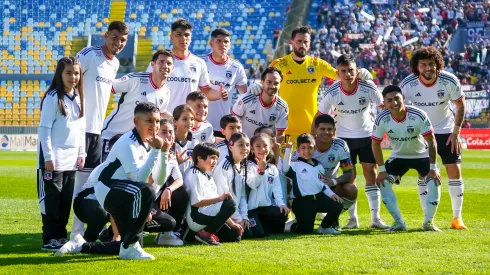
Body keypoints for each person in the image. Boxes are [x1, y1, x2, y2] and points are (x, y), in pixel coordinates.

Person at [249, 25, 372, 142]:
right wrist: (257, 86)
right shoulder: (279, 64)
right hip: (283, 129)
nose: (302, 45)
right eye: (299, 41)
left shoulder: (317, 64)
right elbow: (266, 82)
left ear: (310, 43)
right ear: (292, 42)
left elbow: (343, 76)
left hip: (311, 129)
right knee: (284, 164)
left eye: (306, 42)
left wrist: (360, 73)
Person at [82, 102, 166, 260]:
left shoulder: (148, 143)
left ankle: (81, 246)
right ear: (136, 122)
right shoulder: (127, 142)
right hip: (107, 188)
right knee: (147, 190)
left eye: (157, 121)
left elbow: (160, 179)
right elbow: (139, 179)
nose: (155, 126)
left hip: (125, 191)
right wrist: (156, 151)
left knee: (125, 243)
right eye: (149, 121)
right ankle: (130, 246)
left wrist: (163, 152)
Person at [315, 54, 387, 229]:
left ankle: (375, 218)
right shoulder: (332, 92)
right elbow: (319, 115)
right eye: (343, 71)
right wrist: (314, 139)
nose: (348, 74)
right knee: (349, 179)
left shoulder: (367, 86)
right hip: (344, 139)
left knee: (371, 174)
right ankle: (352, 219)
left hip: (367, 136)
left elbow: (383, 107)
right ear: (338, 73)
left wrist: (384, 129)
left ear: (357, 70)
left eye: (351, 70)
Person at [400, 46, 467, 229]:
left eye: (431, 64)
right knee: (423, 175)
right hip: (421, 134)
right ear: (417, 66)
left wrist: (456, 132)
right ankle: (427, 217)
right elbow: (399, 109)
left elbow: (460, 106)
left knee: (454, 170)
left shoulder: (449, 80)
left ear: (438, 64)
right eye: (423, 65)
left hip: (446, 131)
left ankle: (457, 218)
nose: (428, 68)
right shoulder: (408, 84)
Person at [73, 21, 129, 238]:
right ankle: (71, 233)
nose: (118, 43)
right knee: (73, 184)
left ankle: (81, 233)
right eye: (115, 37)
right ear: (105, 36)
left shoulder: (114, 64)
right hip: (79, 129)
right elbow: (68, 80)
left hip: (96, 132)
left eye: (123, 40)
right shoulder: (88, 54)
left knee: (87, 184)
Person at [371, 85, 442, 232]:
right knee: (383, 182)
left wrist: (433, 168)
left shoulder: (418, 114)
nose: (394, 103)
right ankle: (399, 223)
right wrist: (382, 170)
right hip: (398, 156)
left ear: (403, 98)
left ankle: (428, 223)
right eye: (389, 100)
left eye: (397, 98)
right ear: (384, 103)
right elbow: (375, 144)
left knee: (434, 181)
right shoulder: (381, 118)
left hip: (422, 155)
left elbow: (431, 141)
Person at [37, 57, 86, 251]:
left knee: (66, 201)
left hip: (71, 160)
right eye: (68, 73)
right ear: (60, 74)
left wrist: (81, 153)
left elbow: (81, 128)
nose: (73, 77)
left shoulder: (79, 97)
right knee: (52, 200)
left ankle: (60, 236)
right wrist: (48, 156)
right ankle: (49, 238)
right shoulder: (52, 97)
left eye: (76, 73)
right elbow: (44, 129)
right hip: (53, 160)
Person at [100, 50, 173, 162]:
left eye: (169, 63)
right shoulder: (136, 79)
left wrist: (176, 120)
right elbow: (107, 87)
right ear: (152, 65)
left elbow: (161, 113)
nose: (165, 66)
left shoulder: (166, 92)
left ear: (172, 68)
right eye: (161, 62)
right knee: (106, 177)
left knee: (132, 178)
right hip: (113, 136)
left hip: (137, 143)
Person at [146, 18, 228, 112]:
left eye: (186, 35)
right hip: (165, 121)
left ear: (191, 37)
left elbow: (206, 91)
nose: (183, 38)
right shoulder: (160, 61)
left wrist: (218, 94)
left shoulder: (199, 63)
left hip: (188, 120)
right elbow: (149, 87)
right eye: (179, 34)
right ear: (171, 37)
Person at [282, 134, 344, 235]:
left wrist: (332, 194)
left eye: (310, 148)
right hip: (302, 202)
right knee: (305, 231)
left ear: (314, 148)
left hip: (318, 199)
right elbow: (285, 169)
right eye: (303, 148)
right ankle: (290, 225)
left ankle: (325, 227)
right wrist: (288, 150)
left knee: (338, 204)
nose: (307, 151)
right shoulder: (295, 165)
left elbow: (322, 184)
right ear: (297, 149)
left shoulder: (319, 166)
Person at [304, 114, 358, 230]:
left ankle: (332, 217)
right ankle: (294, 216)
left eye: (329, 129)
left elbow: (349, 173)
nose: (326, 132)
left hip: (330, 187)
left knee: (351, 189)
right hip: (306, 189)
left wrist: (333, 181)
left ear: (334, 130)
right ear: (315, 130)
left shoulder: (340, 145)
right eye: (322, 129)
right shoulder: (306, 144)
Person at [183, 143, 243, 245]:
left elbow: (218, 208)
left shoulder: (208, 177)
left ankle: (194, 235)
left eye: (216, 159)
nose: (215, 162)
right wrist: (220, 198)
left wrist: (233, 224)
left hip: (207, 216)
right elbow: (197, 203)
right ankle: (204, 234)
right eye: (212, 158)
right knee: (230, 203)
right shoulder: (194, 174)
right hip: (196, 218)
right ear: (199, 158)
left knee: (235, 236)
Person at [202, 28, 248, 136]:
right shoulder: (201, 63)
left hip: (223, 126)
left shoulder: (236, 67)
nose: (223, 44)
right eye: (219, 41)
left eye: (226, 42)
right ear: (211, 43)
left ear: (230, 45)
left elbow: (245, 96)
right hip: (200, 124)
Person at [151, 118, 190, 246]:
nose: (169, 135)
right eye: (164, 132)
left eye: (171, 132)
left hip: (157, 197)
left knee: (182, 191)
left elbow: (179, 179)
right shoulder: (149, 152)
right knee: (168, 223)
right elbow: (150, 180)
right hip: (143, 199)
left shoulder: (171, 154)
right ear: (156, 134)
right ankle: (114, 232)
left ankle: (167, 235)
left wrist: (168, 190)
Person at [246, 133, 289, 238]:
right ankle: (257, 226)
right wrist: (260, 170)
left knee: (281, 215)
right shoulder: (249, 166)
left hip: (266, 208)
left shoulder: (272, 168)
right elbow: (253, 184)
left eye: (265, 146)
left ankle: (265, 226)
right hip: (251, 209)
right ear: (252, 149)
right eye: (258, 146)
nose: (262, 149)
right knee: (259, 234)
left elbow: (277, 189)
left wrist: (281, 204)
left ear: (270, 147)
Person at [232, 67, 289, 141]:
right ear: (262, 82)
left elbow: (280, 134)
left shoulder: (282, 107)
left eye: (276, 83)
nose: (272, 86)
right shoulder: (246, 99)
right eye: (269, 82)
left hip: (264, 149)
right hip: (244, 146)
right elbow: (232, 124)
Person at [212, 133, 251, 240]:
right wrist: (238, 219)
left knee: (252, 232)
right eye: (241, 145)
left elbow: (242, 195)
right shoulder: (224, 167)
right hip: (222, 213)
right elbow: (224, 200)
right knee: (235, 236)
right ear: (230, 147)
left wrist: (244, 217)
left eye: (247, 145)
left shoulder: (242, 166)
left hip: (235, 214)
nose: (245, 148)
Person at [172, 104, 200, 175]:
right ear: (175, 121)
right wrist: (176, 162)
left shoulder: (195, 142)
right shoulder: (169, 141)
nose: (190, 122)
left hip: (189, 182)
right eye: (184, 119)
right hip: (173, 182)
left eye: (192, 119)